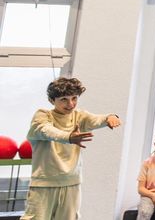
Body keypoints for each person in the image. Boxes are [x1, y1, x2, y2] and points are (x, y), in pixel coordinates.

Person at [21, 76, 122, 220]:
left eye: (74, 98)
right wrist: (68, 137)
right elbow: (46, 130)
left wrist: (110, 117)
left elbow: (96, 119)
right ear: (52, 100)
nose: (70, 104)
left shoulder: (79, 116)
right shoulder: (42, 115)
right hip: (44, 182)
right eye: (64, 99)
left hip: (72, 182)